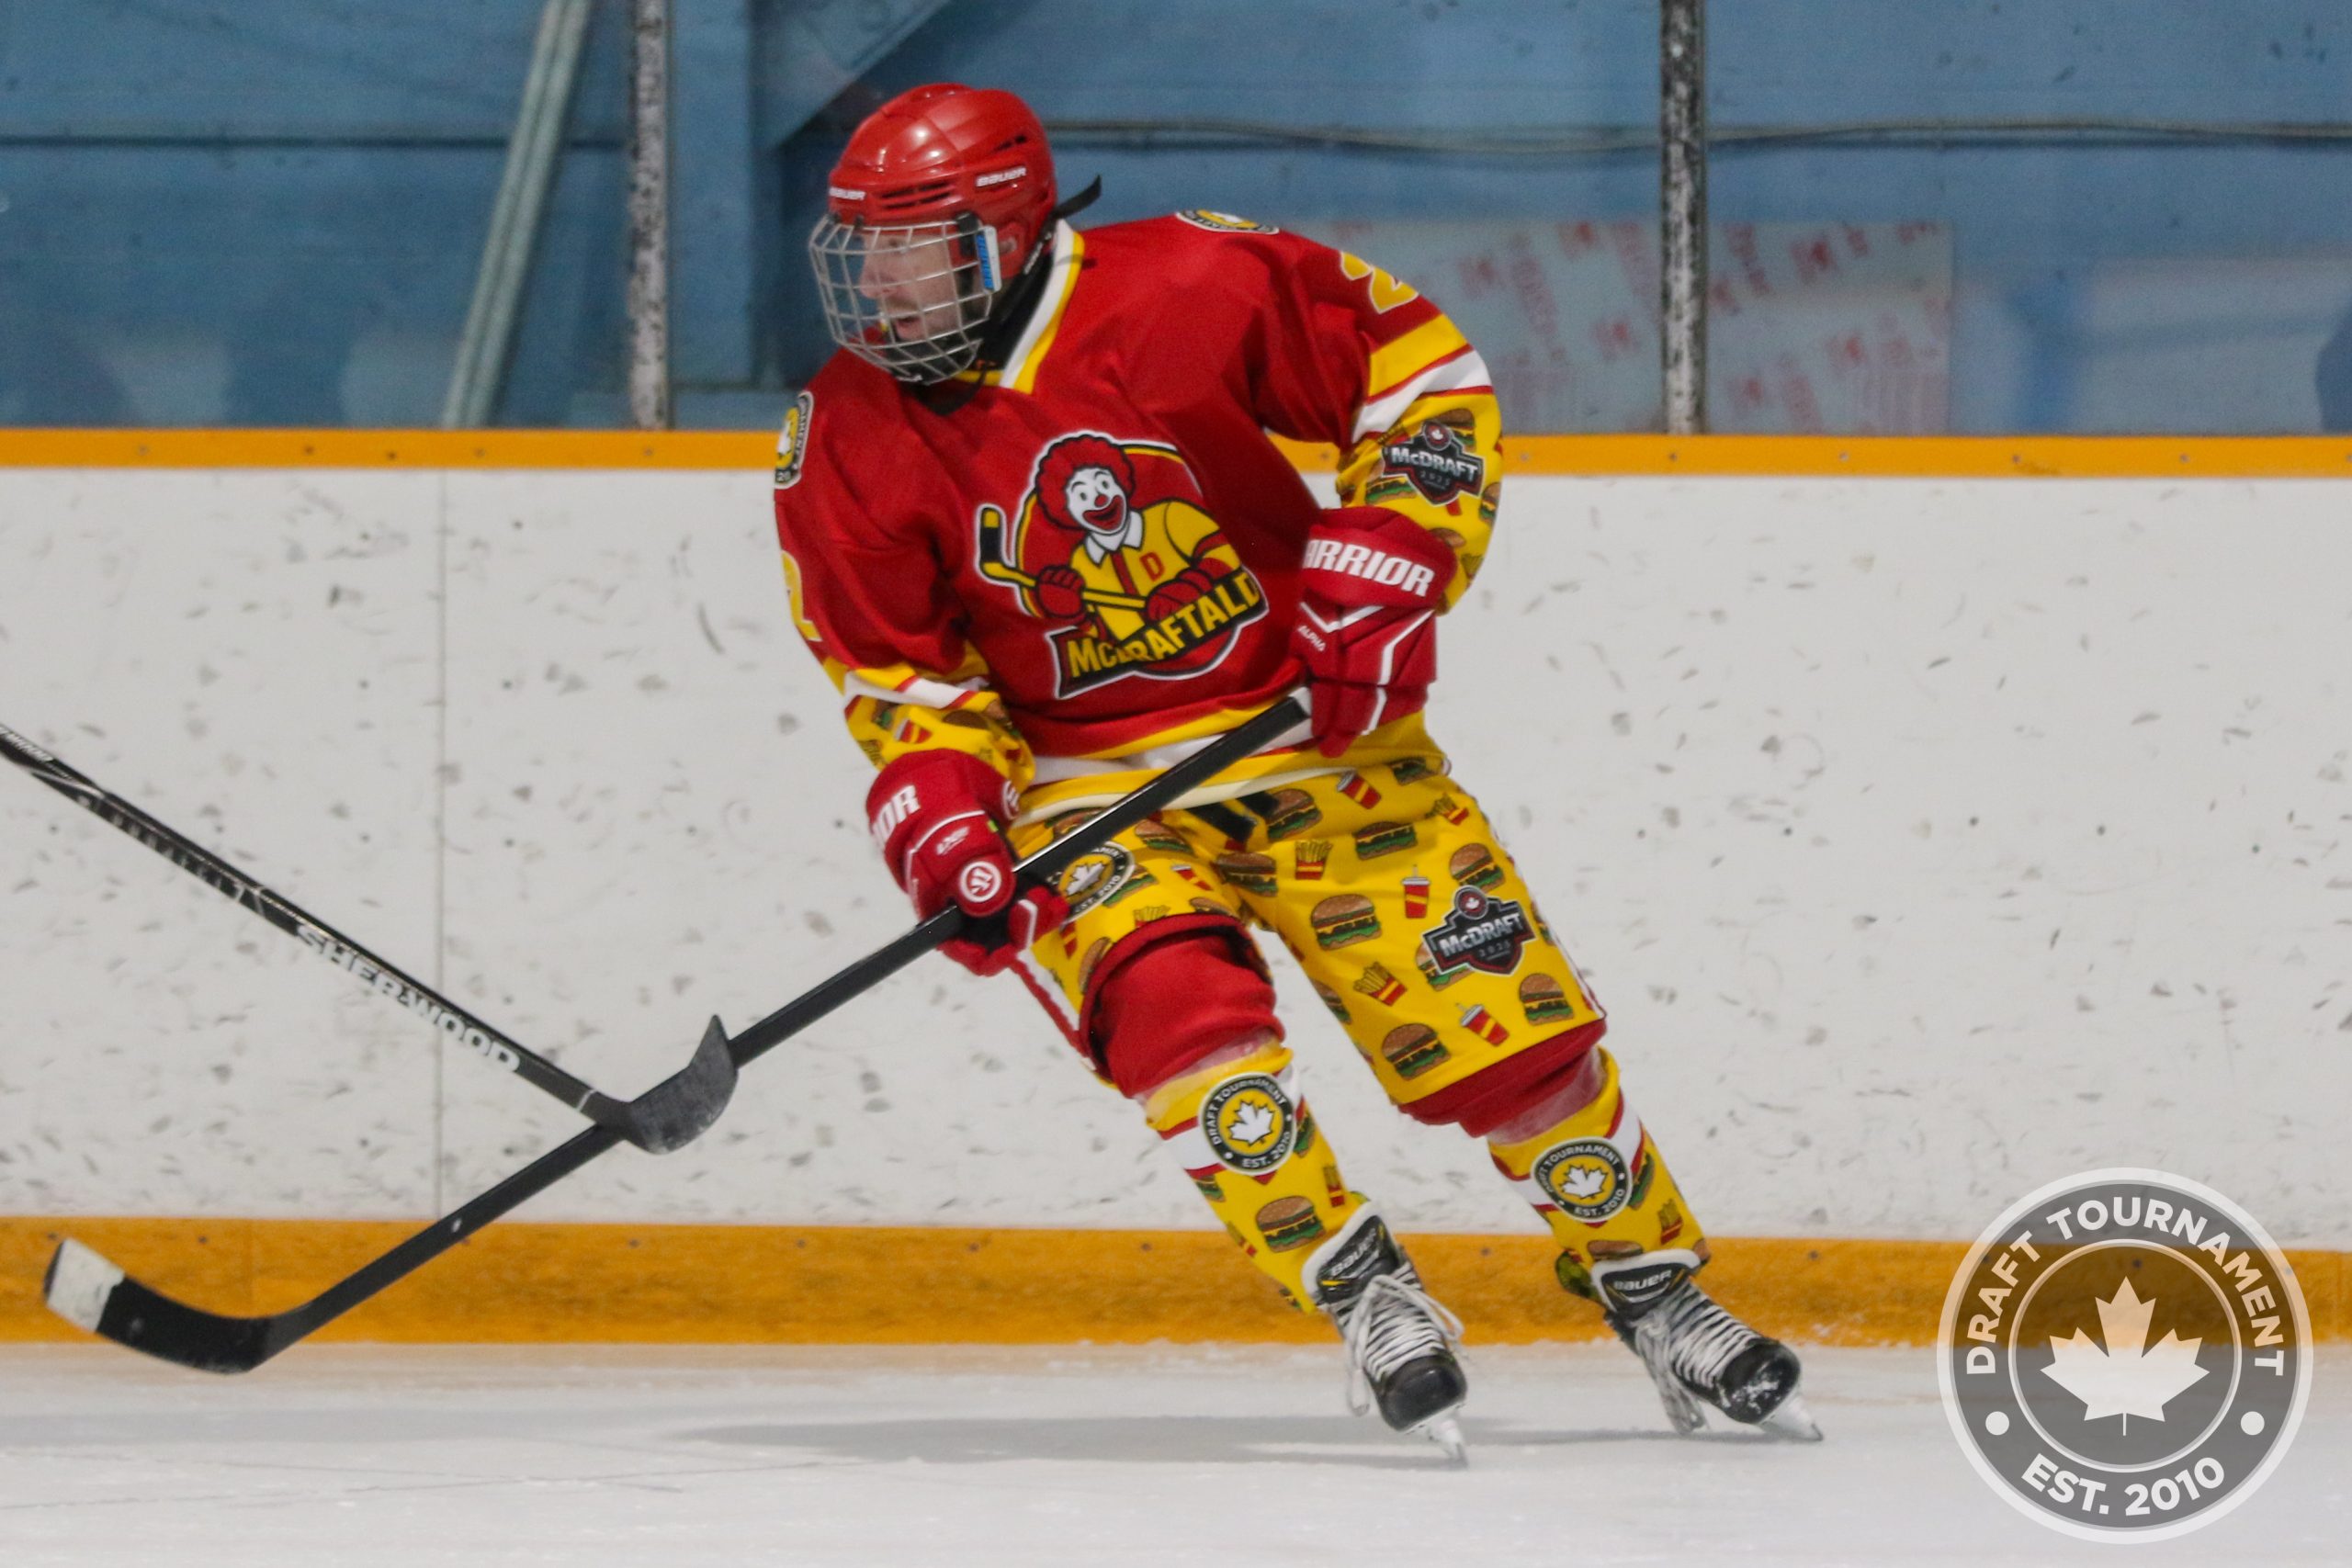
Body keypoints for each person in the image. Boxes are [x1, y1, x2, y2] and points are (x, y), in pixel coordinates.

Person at [775, 82, 1816, 1456]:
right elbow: (901, 678)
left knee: (1512, 1044)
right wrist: (946, 815)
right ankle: (1366, 1292)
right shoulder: (842, 434)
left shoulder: (1191, 282)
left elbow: (1419, 376)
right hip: (1092, 797)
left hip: (1317, 744)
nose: (887, 291)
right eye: (867, 256)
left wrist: (1400, 545)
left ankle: (1658, 1293)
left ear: (1014, 232)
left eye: (923, 253)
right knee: (1180, 1026)